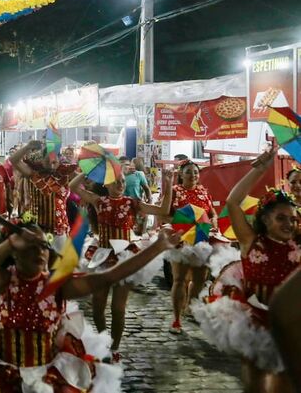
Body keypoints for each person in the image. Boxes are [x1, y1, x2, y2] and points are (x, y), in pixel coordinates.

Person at [0, 224, 181, 392]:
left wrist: (158, 247)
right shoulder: (4, 282)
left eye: (43, 246)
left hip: (47, 377)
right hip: (3, 377)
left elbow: (110, 276)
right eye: (31, 246)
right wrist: (10, 241)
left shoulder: (57, 286)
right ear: (15, 253)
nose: (39, 251)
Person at [192, 147, 298, 392]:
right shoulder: (251, 241)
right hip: (256, 320)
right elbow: (232, 201)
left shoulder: (298, 244)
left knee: (285, 383)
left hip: (291, 320)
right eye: (281, 218)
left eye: (293, 219)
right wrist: (259, 169)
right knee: (255, 383)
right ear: (265, 220)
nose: (289, 224)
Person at [69, 166, 174, 361]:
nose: (120, 184)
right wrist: (90, 170)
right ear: (106, 183)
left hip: (125, 255)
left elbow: (164, 210)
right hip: (101, 256)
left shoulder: (133, 203)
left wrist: (168, 184)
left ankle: (114, 347)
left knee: (118, 308)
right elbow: (73, 186)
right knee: (98, 305)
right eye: (116, 180)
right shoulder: (98, 201)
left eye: (123, 181)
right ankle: (103, 341)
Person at [163, 159, 219, 334]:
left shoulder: (203, 192)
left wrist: (214, 222)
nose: (193, 175)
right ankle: (176, 319)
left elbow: (212, 213)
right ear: (180, 174)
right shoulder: (174, 191)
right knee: (179, 279)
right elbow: (164, 215)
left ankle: (190, 307)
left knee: (200, 279)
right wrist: (183, 223)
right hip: (181, 240)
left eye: (195, 172)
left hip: (201, 240)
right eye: (188, 172)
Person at [9, 139, 77, 251]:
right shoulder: (33, 172)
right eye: (48, 161)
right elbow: (14, 160)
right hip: (38, 229)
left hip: (60, 229)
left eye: (54, 162)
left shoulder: (65, 173)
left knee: (58, 264)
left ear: (59, 160)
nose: (51, 164)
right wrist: (28, 147)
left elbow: (86, 180)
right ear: (42, 160)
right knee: (39, 261)